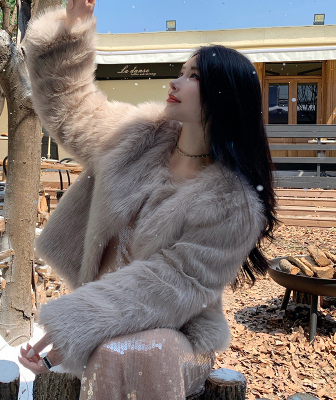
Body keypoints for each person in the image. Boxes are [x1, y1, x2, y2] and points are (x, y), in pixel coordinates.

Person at [19, 0, 277, 398]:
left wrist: (78, 321)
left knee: (135, 353)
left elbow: (172, 282)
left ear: (223, 94)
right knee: (116, 352)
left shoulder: (234, 204)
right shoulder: (136, 135)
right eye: (180, 72)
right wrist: (72, 29)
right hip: (104, 319)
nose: (175, 83)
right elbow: (69, 109)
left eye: (192, 76)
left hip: (179, 336)